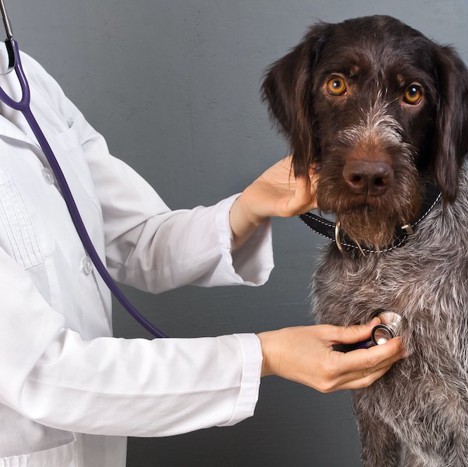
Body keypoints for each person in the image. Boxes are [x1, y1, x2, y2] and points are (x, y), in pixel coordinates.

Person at [0, 47, 404, 466]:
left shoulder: (23, 76)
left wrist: (247, 208)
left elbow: (137, 237)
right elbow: (44, 375)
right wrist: (266, 355)